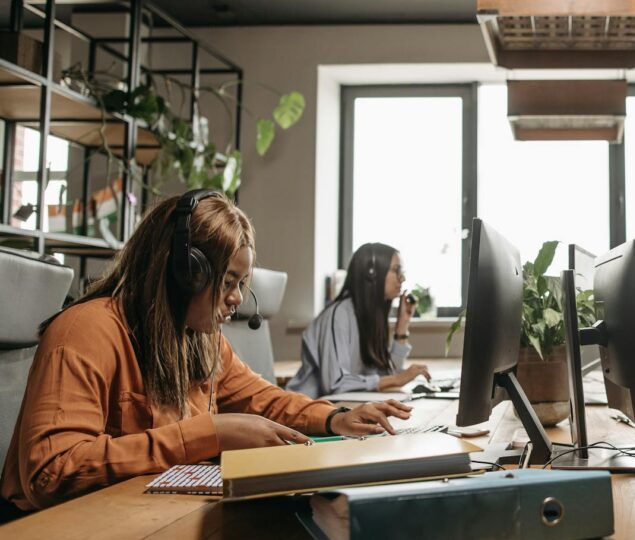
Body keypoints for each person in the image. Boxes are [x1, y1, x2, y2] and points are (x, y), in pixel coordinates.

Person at [1, 190, 413, 512]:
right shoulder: (86, 331)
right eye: (228, 281)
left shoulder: (200, 338)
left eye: (241, 283)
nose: (236, 298)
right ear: (184, 273)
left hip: (148, 510)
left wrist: (335, 417)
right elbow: (50, 473)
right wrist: (208, 434)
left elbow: (262, 398)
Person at [287, 243, 431, 398]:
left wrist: (402, 324)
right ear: (372, 274)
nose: (403, 278)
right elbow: (336, 384)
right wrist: (397, 379)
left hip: (339, 406)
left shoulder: (369, 316)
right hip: (304, 411)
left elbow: (387, 374)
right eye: (397, 270)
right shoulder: (339, 315)